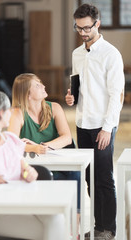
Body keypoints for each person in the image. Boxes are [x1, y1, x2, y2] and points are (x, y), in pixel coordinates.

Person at [0, 90, 65, 240]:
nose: (12, 113)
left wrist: (29, 173)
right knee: (53, 230)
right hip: (0, 214)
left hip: (25, 203)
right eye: (9, 110)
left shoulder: (11, 140)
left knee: (58, 219)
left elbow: (25, 169)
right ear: (1, 113)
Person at [65, 4, 125, 240]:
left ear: (97, 24)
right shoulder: (77, 54)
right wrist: (71, 96)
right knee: (90, 178)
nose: (82, 32)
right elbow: (77, 85)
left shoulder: (111, 54)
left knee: (104, 178)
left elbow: (116, 95)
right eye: (78, 28)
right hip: (82, 123)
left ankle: (108, 230)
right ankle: (98, 226)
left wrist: (107, 128)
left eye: (87, 28)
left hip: (103, 125)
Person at [8, 73, 81, 235]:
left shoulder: (54, 107)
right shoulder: (17, 113)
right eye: (37, 85)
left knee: (75, 174)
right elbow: (11, 143)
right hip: (35, 171)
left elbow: (66, 138)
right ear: (28, 94)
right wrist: (33, 149)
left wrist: (43, 146)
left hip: (60, 168)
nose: (44, 87)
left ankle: (74, 228)